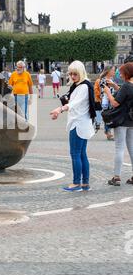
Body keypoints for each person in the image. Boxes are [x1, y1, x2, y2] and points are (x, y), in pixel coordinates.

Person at [50, 61, 96, 192]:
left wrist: (60, 109)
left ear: (80, 72)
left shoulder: (83, 86)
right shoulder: (81, 85)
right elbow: (72, 101)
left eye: (75, 73)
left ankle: (76, 183)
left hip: (78, 123)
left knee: (76, 154)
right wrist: (60, 110)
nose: (72, 76)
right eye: (70, 73)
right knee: (81, 154)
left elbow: (74, 103)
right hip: (82, 122)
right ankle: (85, 183)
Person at [103, 62, 133, 186]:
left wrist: (108, 92)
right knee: (132, 148)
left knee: (119, 148)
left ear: (127, 73)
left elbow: (115, 103)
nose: (119, 74)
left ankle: (117, 177)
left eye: (121, 72)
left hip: (121, 120)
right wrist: (116, 86)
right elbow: (126, 96)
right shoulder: (130, 85)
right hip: (131, 120)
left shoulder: (126, 85)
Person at [94, 66, 120, 139]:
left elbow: (117, 89)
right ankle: (108, 132)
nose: (114, 72)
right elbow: (102, 92)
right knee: (108, 116)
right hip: (106, 102)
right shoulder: (103, 80)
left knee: (110, 116)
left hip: (112, 100)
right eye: (113, 70)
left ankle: (108, 131)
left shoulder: (111, 80)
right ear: (108, 71)